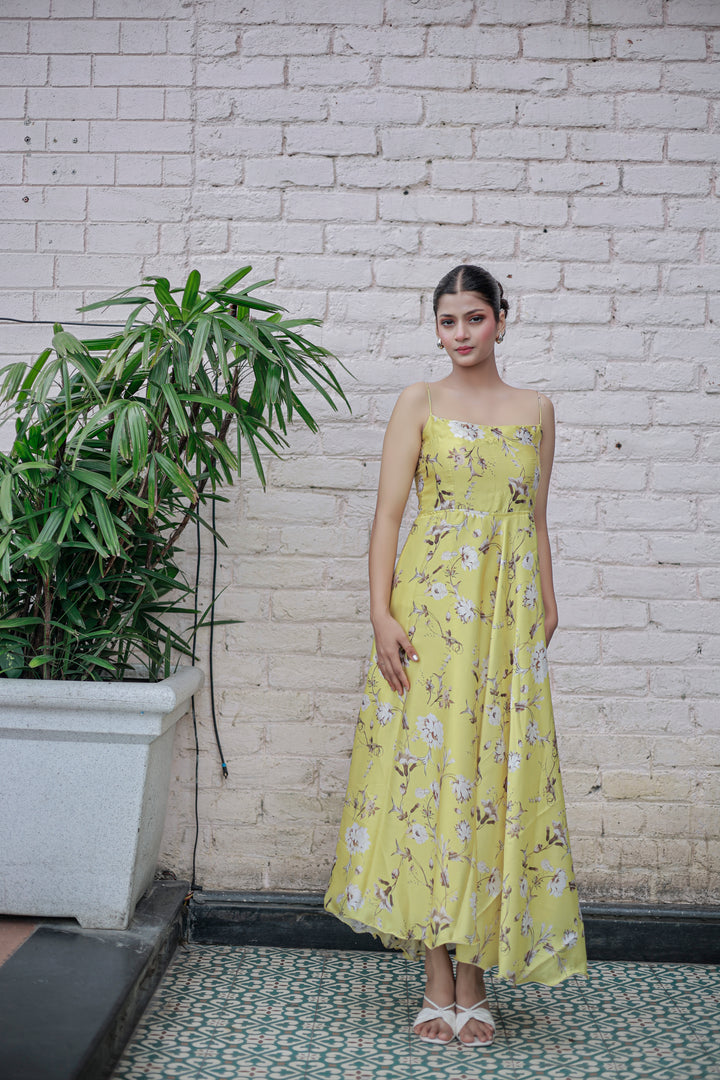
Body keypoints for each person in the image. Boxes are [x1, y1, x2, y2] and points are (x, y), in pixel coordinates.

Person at [324, 264, 587, 1047]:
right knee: (436, 782)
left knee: (494, 783)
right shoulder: (421, 402)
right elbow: (387, 514)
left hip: (508, 623)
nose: (462, 333)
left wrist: (548, 595)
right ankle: (439, 980)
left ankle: (475, 977)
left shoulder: (538, 410)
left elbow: (534, 518)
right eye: (448, 321)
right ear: (437, 328)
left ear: (503, 319)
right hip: (431, 613)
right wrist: (380, 614)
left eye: (475, 318)